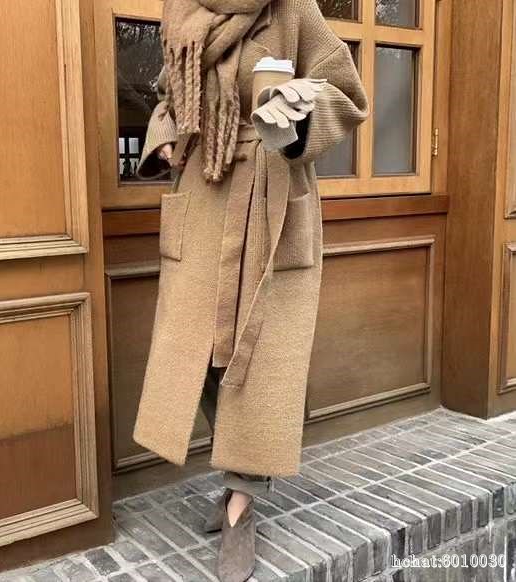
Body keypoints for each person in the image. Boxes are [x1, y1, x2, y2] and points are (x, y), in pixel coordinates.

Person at [133, 1, 368, 580]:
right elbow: (167, 95)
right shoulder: (184, 15)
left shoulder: (292, 10)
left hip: (270, 196)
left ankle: (241, 503)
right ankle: (241, 473)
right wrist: (165, 138)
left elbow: (344, 91)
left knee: (257, 363)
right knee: (196, 356)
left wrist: (296, 111)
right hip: (202, 190)